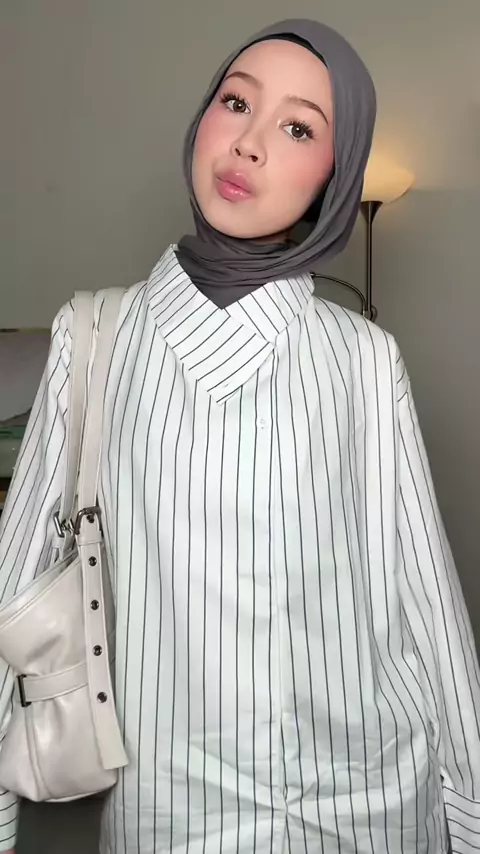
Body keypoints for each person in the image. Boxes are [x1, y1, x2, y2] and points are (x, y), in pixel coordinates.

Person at [0, 17, 479, 854]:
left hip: (371, 804)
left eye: (299, 128)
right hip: (170, 812)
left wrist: (469, 814)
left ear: (334, 176)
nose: (249, 143)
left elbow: (425, 599)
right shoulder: (93, 336)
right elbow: (15, 582)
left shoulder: (364, 357)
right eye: (236, 103)